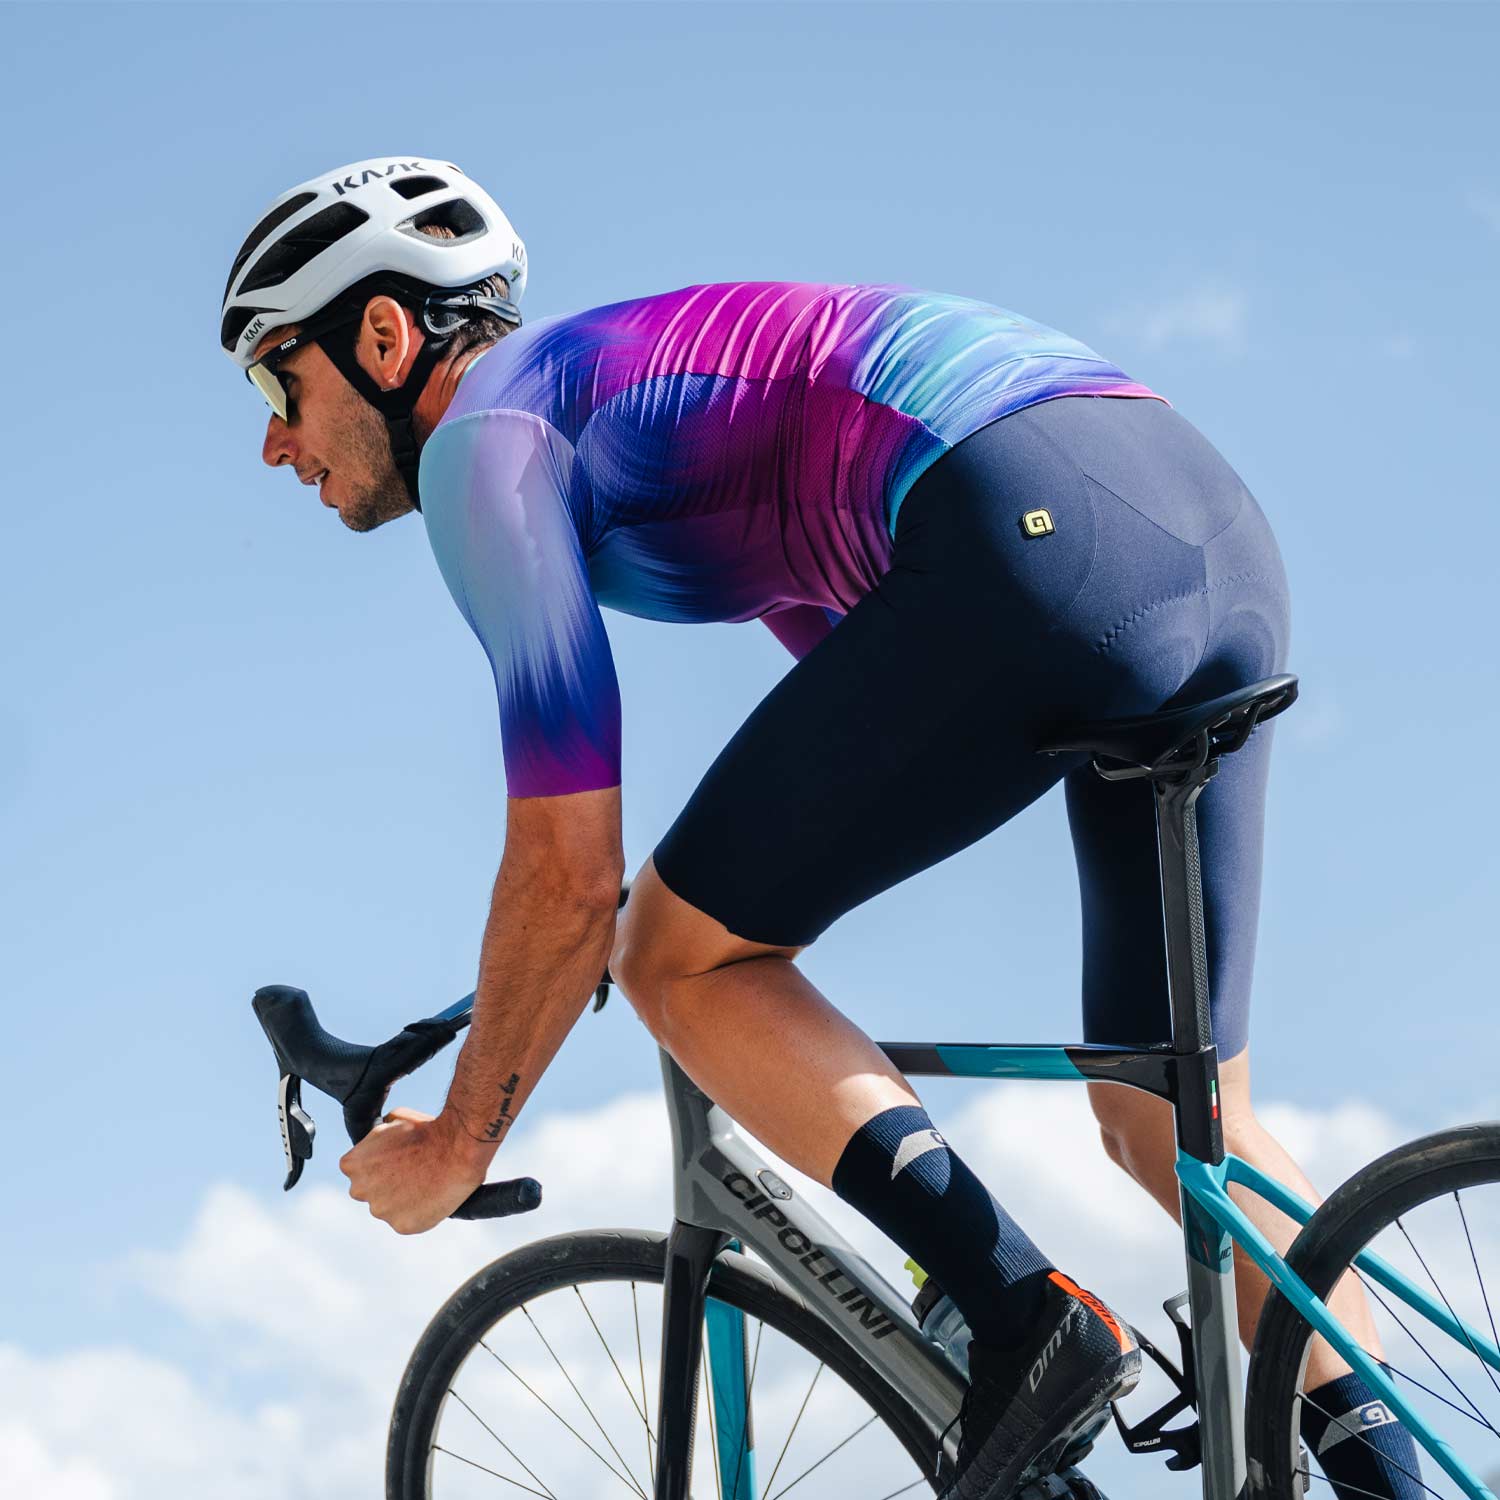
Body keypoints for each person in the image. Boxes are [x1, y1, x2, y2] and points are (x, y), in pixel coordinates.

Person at [222, 155, 1421, 1500]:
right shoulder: (648, 410)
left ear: (385, 338)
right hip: (1200, 525)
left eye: (278, 384)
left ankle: (1025, 1316)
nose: (273, 442)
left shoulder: (486, 449)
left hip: (1032, 525)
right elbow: (864, 718)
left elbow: (570, 867)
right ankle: (1395, 1481)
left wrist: (461, 1141)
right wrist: (575, 942)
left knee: (677, 961)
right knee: (1173, 1120)